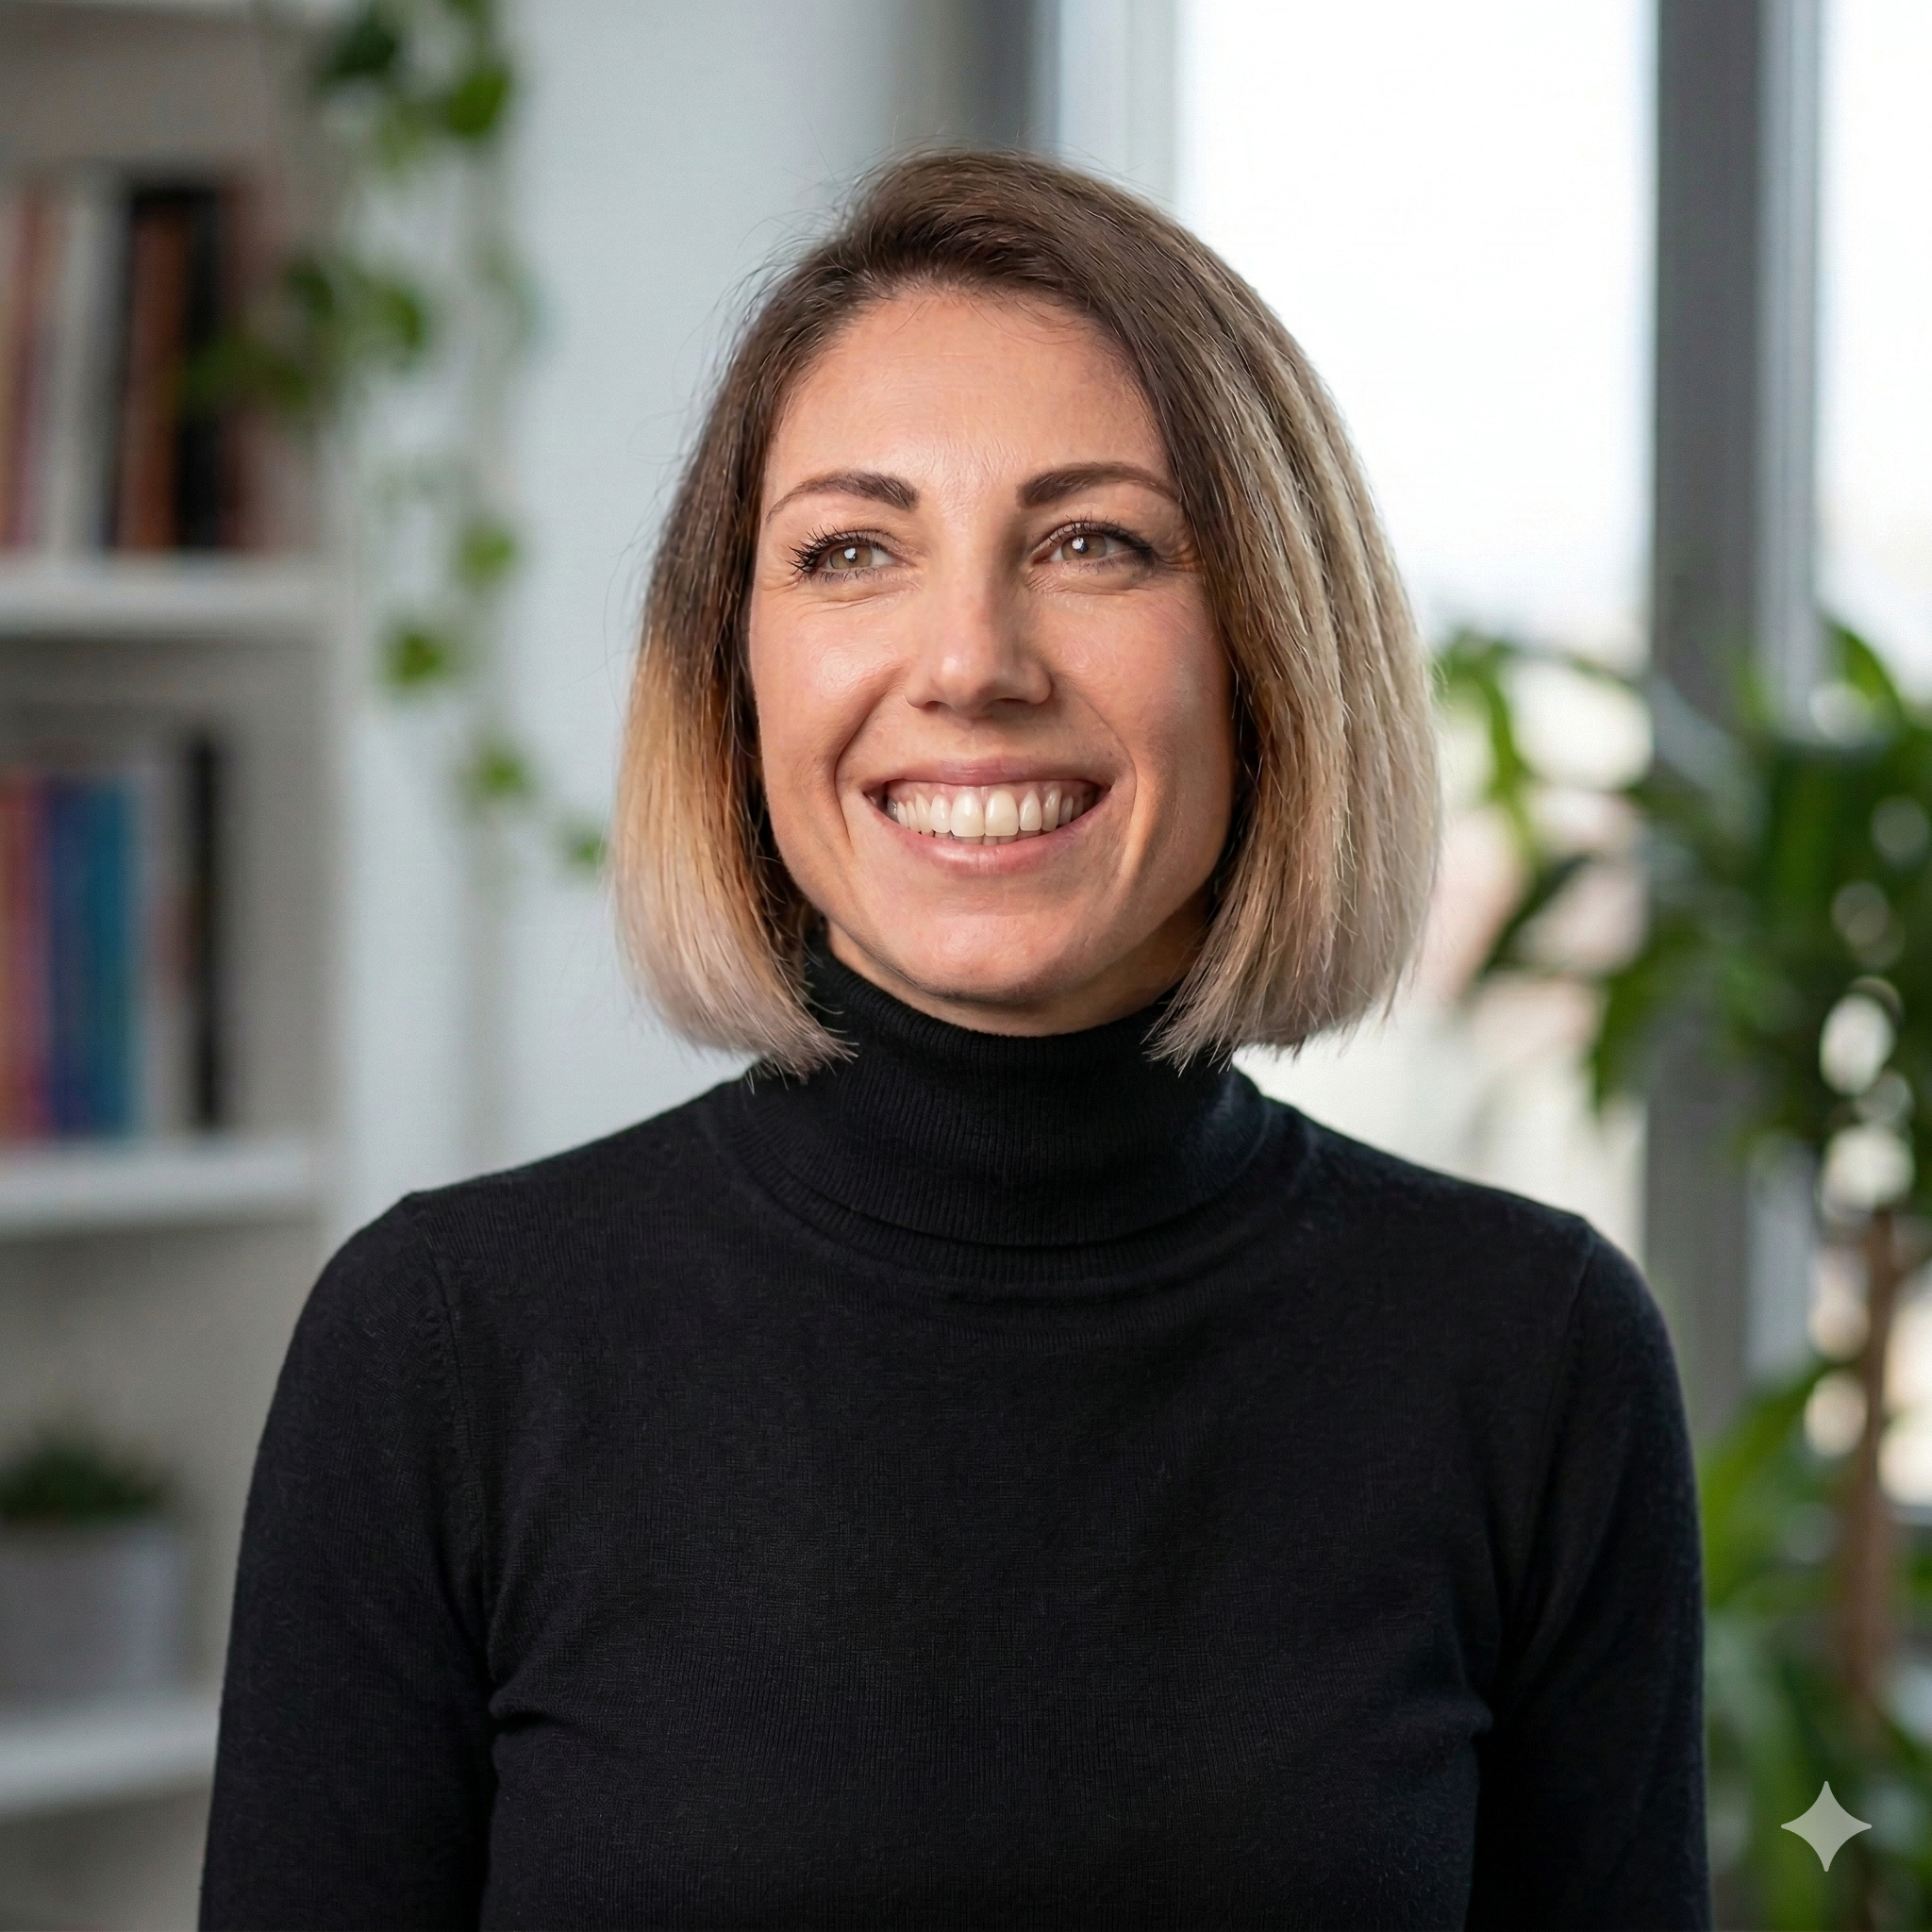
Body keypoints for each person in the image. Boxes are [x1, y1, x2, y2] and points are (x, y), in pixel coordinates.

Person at [200, 151, 1709, 1929]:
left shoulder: (1534, 1361)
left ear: (1265, 653)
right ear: (733, 668)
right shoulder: (444, 1354)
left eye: (1094, 543)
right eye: (853, 550)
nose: (971, 661)